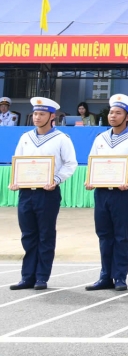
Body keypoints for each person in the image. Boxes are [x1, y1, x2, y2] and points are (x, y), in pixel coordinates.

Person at [85, 95, 128, 292]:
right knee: (104, 234)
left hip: (123, 194)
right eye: (111, 112)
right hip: (102, 193)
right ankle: (105, 275)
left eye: (118, 113)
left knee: (121, 236)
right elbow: (92, 161)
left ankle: (120, 276)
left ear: (127, 116)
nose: (113, 116)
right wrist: (90, 179)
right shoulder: (100, 139)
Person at [8, 97, 76, 291]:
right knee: (28, 235)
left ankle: (41, 277)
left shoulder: (62, 138)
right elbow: (18, 162)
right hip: (26, 193)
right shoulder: (25, 137)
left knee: (45, 235)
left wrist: (56, 179)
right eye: (35, 114)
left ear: (51, 117)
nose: (37, 117)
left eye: (41, 114)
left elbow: (71, 164)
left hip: (47, 193)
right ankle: (27, 276)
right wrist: (15, 180)